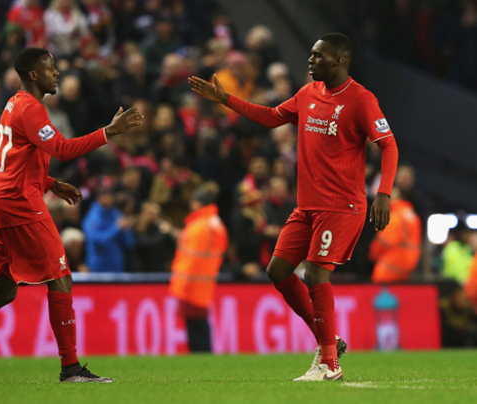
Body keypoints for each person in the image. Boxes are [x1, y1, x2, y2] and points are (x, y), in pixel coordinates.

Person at [0, 47, 143, 384]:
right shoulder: (31, 109)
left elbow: (12, 160)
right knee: (61, 275)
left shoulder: (13, 104)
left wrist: (51, 183)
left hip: (4, 202)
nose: (57, 73)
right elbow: (63, 149)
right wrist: (110, 132)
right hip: (21, 205)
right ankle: (71, 368)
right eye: (50, 68)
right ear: (34, 74)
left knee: (4, 291)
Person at [189, 33, 398, 381]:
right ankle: (327, 340)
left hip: (342, 206)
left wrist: (384, 194)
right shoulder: (307, 94)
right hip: (307, 207)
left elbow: (388, 146)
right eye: (311, 55)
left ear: (339, 61)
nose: (310, 61)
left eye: (318, 56)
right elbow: (272, 117)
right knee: (278, 271)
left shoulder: (361, 100)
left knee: (315, 274)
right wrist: (226, 99)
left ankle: (330, 364)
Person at [169, 182, 228, 352]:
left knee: (196, 329)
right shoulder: (214, 223)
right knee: (199, 324)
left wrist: (182, 286)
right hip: (205, 282)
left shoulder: (200, 226)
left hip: (192, 284)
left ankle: (202, 358)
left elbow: (192, 259)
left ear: (197, 202)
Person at [369, 187, 422, 283]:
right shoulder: (413, 216)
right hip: (407, 269)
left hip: (389, 268)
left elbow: (383, 242)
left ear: (399, 196)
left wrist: (372, 255)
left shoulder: (395, 217)